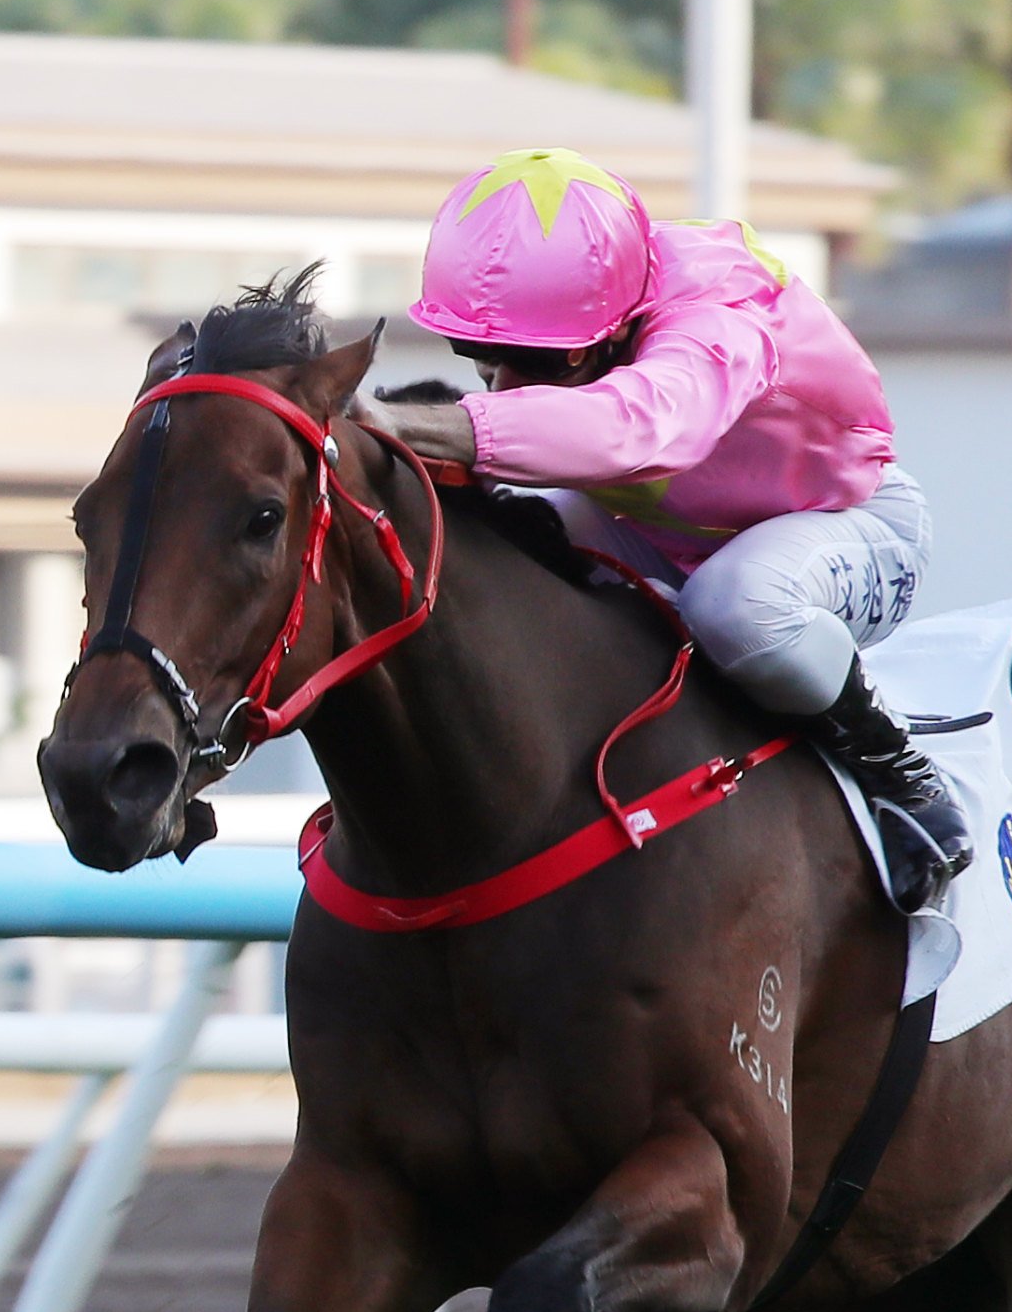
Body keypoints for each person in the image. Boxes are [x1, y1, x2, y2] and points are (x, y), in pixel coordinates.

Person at [368, 147, 970, 910]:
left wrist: (410, 423)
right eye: (482, 358)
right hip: (655, 527)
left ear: (611, 332)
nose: (503, 386)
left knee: (734, 604)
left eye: (532, 362)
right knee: (492, 561)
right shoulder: (589, 305)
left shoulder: (716, 321)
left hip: (846, 524)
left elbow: (635, 428)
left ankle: (904, 777)